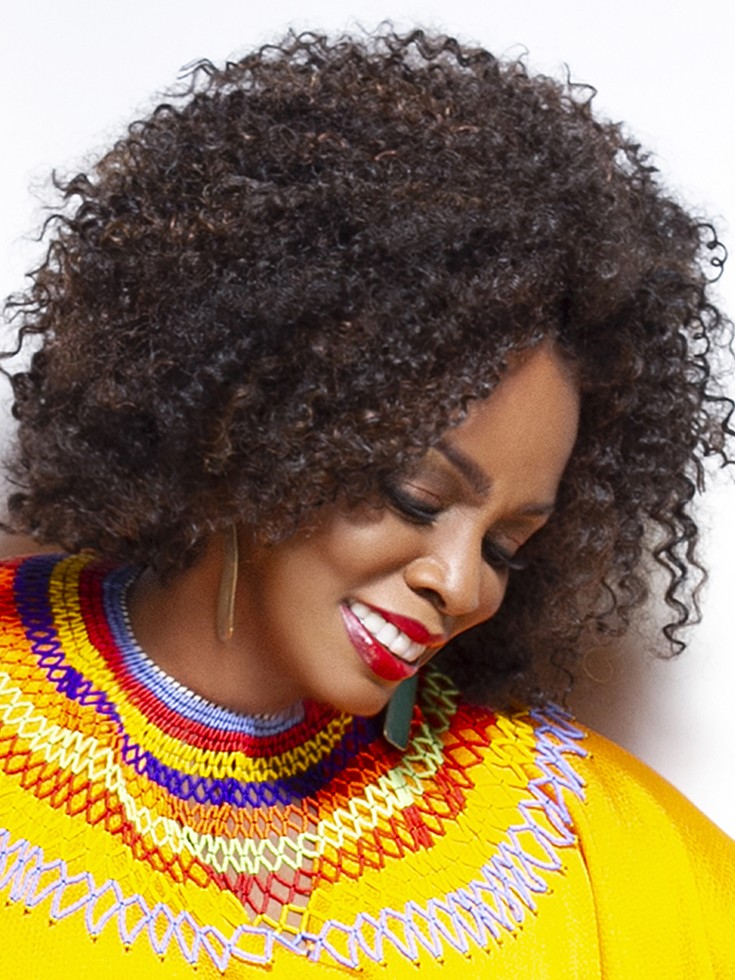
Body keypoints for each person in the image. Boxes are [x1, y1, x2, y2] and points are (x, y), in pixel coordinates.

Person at [0, 28, 733, 978]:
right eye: (416, 497)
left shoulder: (561, 839)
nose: (460, 583)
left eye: (508, 545)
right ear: (250, 416)